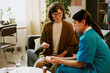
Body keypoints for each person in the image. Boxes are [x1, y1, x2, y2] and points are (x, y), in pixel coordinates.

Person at [34, 2, 78, 73]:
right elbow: (42, 41)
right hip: (48, 55)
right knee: (38, 64)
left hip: (63, 56)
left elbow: (72, 45)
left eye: (59, 13)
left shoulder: (68, 26)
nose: (57, 16)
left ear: (62, 12)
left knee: (56, 65)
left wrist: (61, 56)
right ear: (51, 15)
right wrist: (44, 44)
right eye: (54, 14)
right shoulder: (47, 26)